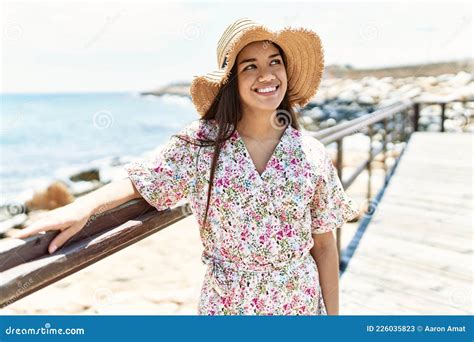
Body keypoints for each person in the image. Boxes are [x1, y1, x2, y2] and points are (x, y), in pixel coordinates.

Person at [14, 18, 359, 315]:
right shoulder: (202, 145)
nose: (266, 75)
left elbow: (325, 246)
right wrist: (83, 206)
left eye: (275, 62)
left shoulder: (310, 154)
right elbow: (142, 179)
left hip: (298, 306)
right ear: (232, 82)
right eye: (249, 66)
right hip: (227, 307)